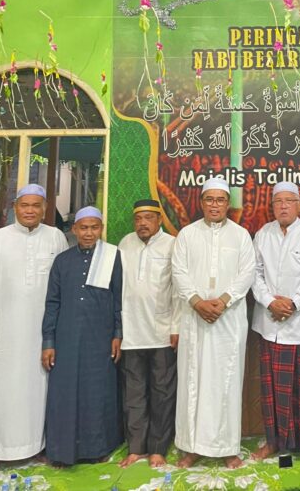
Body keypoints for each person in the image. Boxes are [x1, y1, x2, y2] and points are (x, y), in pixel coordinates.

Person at [0, 184, 67, 471]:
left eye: (36, 205)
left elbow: (62, 286)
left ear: (45, 208)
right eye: (24, 205)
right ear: (15, 207)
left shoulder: (56, 237)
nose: (30, 211)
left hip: (41, 334)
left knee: (39, 390)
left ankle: (36, 446)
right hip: (2, 334)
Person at [171, 177, 255, 469]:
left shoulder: (241, 236)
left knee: (227, 382)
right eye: (210, 199)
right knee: (192, 381)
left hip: (228, 320)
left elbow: (247, 273)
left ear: (228, 204)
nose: (215, 205)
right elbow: (179, 272)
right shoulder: (187, 234)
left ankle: (228, 447)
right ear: (201, 202)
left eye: (220, 200)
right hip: (194, 319)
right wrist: (197, 302)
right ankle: (191, 447)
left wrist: (223, 301)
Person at [251, 182, 300, 465]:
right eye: (278, 202)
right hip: (270, 323)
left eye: (289, 201)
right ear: (272, 206)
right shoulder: (263, 234)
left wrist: (293, 303)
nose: (283, 206)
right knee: (272, 390)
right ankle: (274, 442)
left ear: (299, 204)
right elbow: (254, 274)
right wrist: (270, 302)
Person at [41, 206, 123, 466]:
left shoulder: (112, 257)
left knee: (97, 391)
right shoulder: (62, 261)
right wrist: (48, 342)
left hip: (100, 337)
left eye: (94, 228)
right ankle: (61, 450)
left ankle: (97, 448)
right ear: (74, 229)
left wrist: (117, 333)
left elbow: (119, 299)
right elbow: (52, 303)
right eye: (84, 228)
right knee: (64, 392)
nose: (89, 233)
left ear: (101, 229)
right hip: (66, 337)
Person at [118, 199, 179, 468]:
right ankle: (136, 448)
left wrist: (176, 327)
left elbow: (178, 290)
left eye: (148, 218)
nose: (142, 223)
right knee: (134, 394)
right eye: (138, 218)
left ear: (159, 220)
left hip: (162, 331)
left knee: (162, 393)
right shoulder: (125, 244)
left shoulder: (172, 245)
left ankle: (157, 449)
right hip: (131, 332)